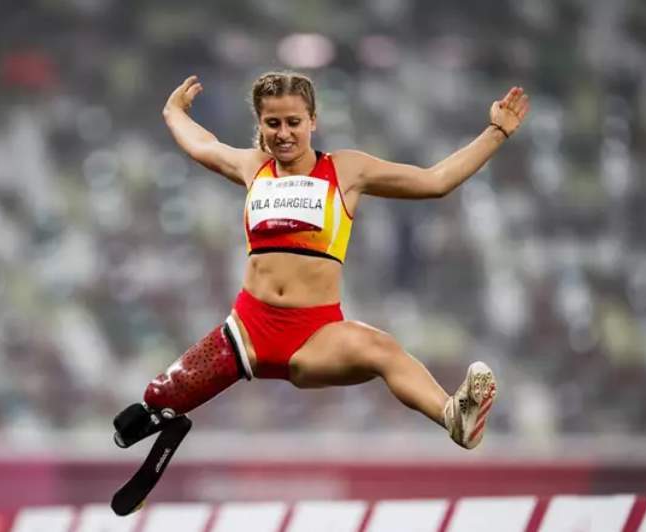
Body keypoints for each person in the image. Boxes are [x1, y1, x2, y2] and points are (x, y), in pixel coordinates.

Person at [113, 71, 529, 451]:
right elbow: (203, 145)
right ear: (261, 125)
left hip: (313, 336)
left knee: (382, 348)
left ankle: (453, 416)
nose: (284, 133)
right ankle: (144, 449)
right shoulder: (253, 167)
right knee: (154, 403)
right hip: (246, 331)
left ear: (313, 121)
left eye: (294, 122)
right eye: (273, 123)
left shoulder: (347, 170)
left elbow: (435, 181)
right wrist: (172, 112)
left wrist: (496, 133)